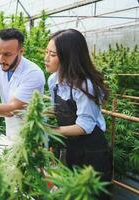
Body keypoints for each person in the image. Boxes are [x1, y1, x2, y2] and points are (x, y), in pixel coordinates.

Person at [45, 29, 112, 199]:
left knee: (91, 194)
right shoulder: (53, 80)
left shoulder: (84, 85)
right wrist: (34, 113)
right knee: (70, 192)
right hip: (70, 147)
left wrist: (50, 130)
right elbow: (59, 108)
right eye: (46, 52)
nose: (46, 58)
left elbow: (85, 126)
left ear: (68, 57)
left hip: (92, 151)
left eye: (52, 55)